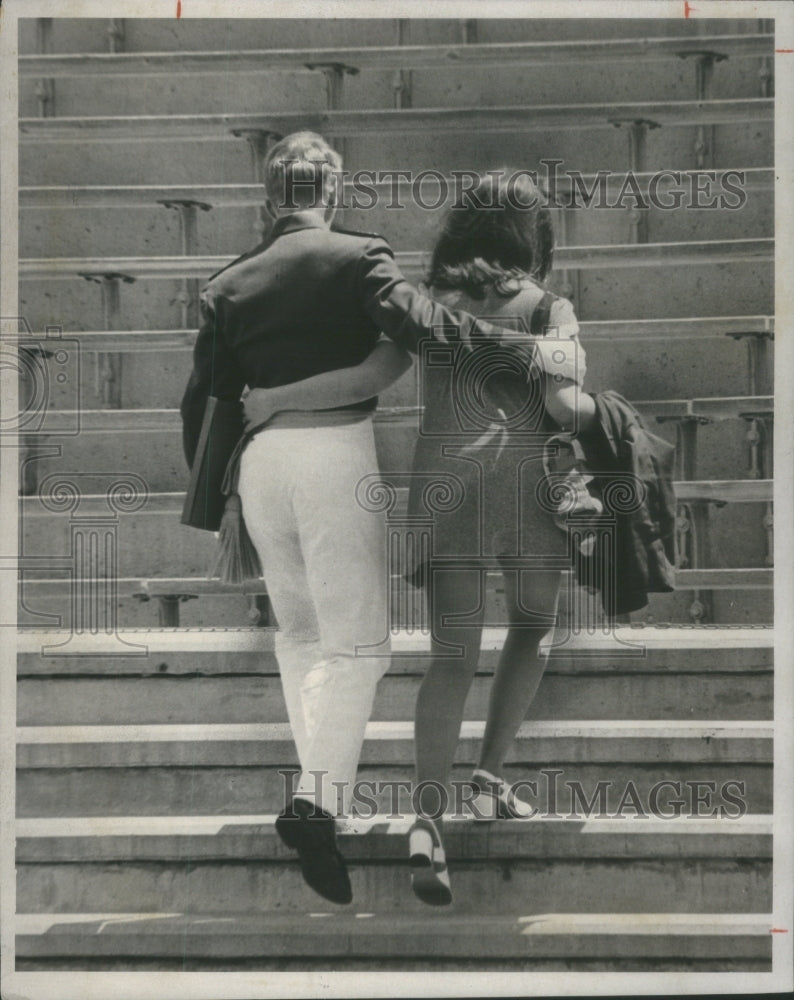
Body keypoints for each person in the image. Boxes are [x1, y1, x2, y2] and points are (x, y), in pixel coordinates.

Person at [180, 134, 564, 907]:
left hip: (321, 477)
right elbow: (486, 357)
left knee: (339, 644)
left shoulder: (232, 283)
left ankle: (371, 805)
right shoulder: (371, 261)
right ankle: (372, 795)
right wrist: (546, 351)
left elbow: (225, 395)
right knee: (426, 640)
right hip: (420, 470)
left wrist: (223, 491)